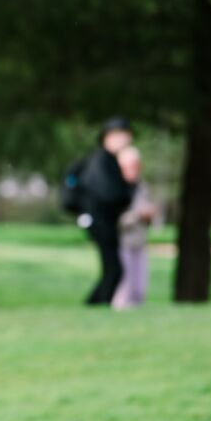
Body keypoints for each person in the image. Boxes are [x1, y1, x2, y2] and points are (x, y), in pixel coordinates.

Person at [79, 117, 135, 306]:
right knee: (114, 269)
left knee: (114, 269)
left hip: (107, 220)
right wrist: (128, 190)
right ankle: (96, 304)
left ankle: (97, 304)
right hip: (101, 220)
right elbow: (107, 193)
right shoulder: (101, 161)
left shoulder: (110, 161)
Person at [112, 145, 157, 309]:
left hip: (140, 241)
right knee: (125, 288)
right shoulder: (115, 189)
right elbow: (115, 219)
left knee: (140, 287)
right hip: (122, 243)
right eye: (130, 165)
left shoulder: (141, 187)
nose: (134, 169)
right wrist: (137, 214)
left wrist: (149, 214)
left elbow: (147, 214)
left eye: (136, 165)